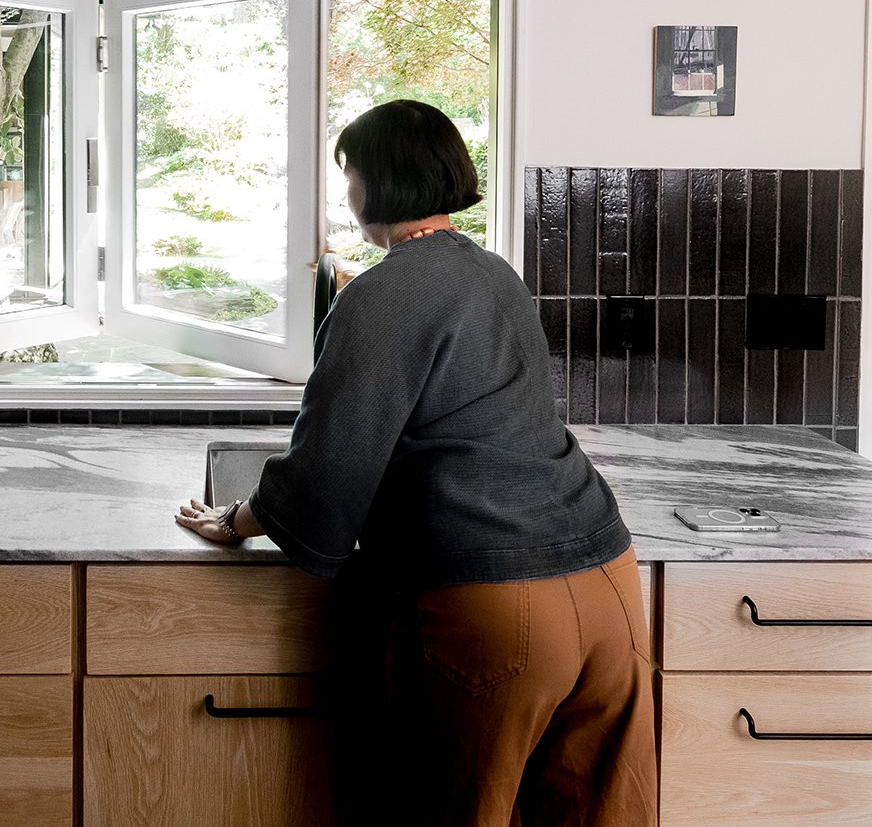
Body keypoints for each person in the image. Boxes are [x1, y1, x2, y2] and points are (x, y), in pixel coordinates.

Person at [174, 99, 657, 826]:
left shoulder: (380, 295)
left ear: (380, 182)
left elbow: (329, 469)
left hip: (498, 599)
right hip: (609, 582)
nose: (347, 194)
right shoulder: (498, 276)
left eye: (351, 175)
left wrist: (240, 519)